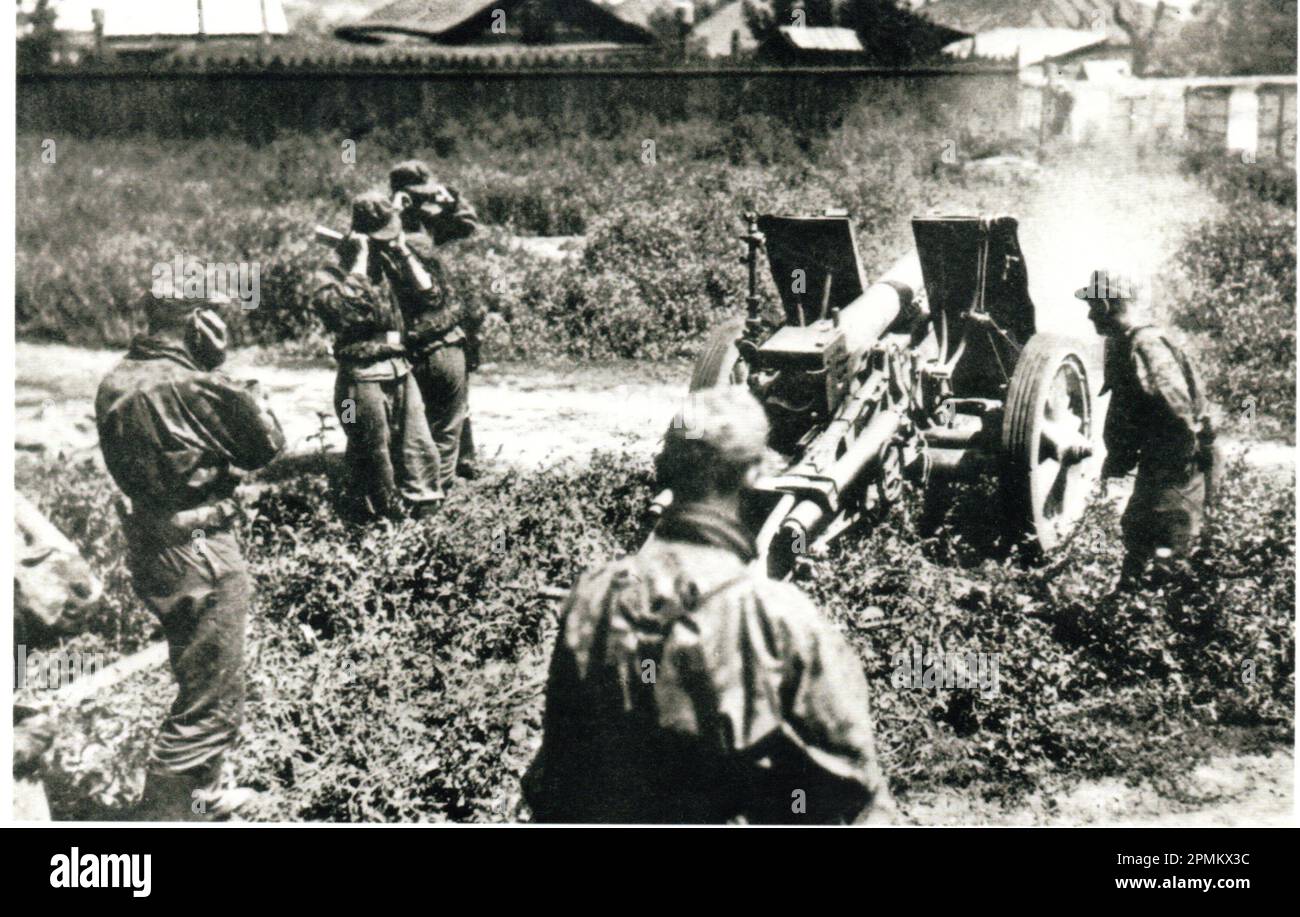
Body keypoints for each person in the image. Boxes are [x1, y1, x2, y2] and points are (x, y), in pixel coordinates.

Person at [524, 386, 895, 824]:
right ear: (755, 475)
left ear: (665, 466)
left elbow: (557, 775)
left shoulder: (591, 597)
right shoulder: (779, 618)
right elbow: (852, 792)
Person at [95, 298, 285, 820]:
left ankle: (204, 796)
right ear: (200, 323)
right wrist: (219, 366)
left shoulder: (117, 378)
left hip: (152, 545)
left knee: (195, 674)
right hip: (203, 548)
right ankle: (163, 817)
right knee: (212, 707)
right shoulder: (197, 385)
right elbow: (267, 444)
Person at [1076, 269, 1221, 589]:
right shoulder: (1124, 343)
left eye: (1093, 307)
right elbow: (1129, 413)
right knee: (1139, 532)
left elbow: (1177, 412)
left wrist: (1176, 471)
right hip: (1163, 460)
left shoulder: (1145, 345)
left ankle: (1169, 619)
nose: (1088, 315)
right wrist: (1119, 458)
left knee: (1170, 544)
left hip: (1178, 462)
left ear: (1106, 307)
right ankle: (1132, 607)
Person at [311, 191, 444, 520]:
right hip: (360, 377)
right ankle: (378, 532)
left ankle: (426, 523)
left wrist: (403, 253)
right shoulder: (334, 269)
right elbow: (340, 313)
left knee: (420, 453)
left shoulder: (392, 258)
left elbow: (431, 296)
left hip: (400, 368)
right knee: (373, 459)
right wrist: (357, 263)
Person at [388, 159, 481, 483]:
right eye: (419, 195)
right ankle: (434, 476)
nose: (426, 201)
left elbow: (468, 224)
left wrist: (451, 197)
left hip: (449, 321)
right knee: (429, 404)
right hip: (418, 327)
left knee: (455, 397)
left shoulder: (428, 224)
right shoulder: (394, 230)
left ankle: (463, 460)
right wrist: (393, 213)